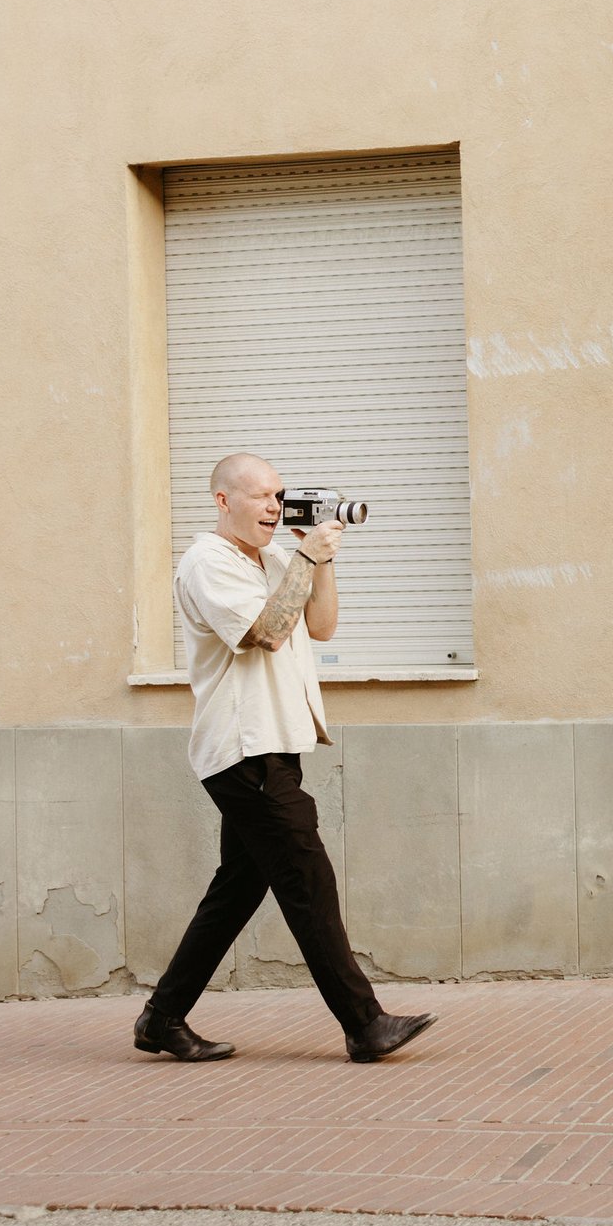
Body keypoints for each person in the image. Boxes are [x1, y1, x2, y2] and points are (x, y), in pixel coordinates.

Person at [133, 453, 437, 1065]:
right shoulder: (208, 562)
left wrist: (318, 561)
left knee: (236, 892)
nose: (274, 506)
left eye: (280, 496)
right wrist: (304, 559)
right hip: (244, 750)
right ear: (223, 501)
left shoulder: (275, 560)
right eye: (260, 496)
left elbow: (319, 628)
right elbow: (265, 632)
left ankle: (161, 1019)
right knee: (307, 876)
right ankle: (364, 1023)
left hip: (276, 746)